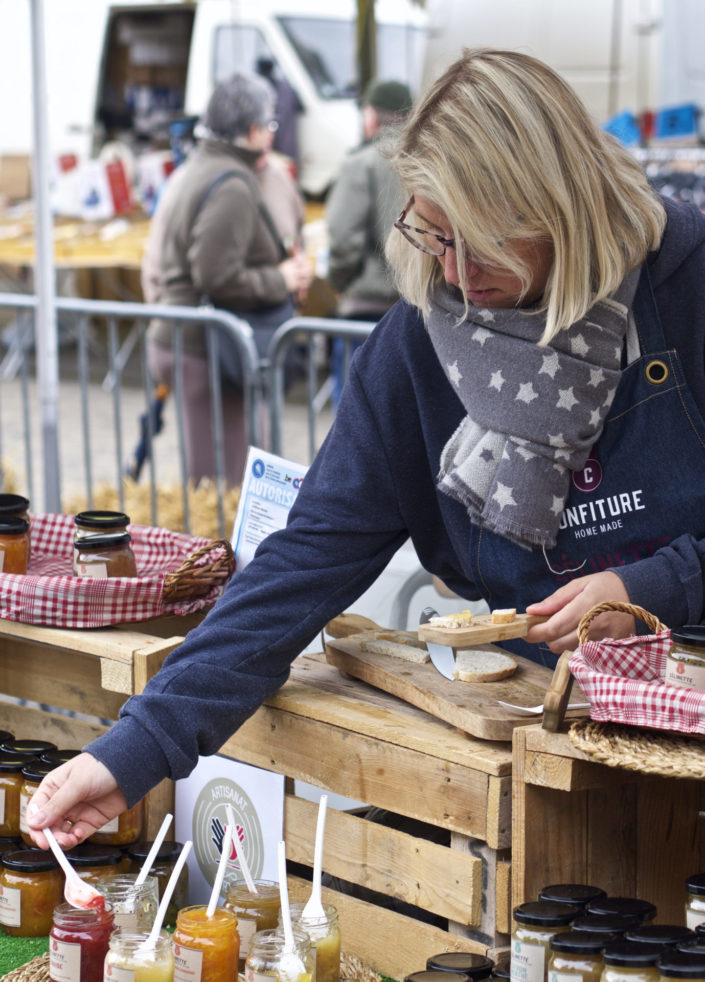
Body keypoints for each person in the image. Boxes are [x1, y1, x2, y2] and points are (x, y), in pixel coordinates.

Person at [27, 48, 705, 847]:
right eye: (431, 235)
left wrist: (654, 587)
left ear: (555, 207)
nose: (453, 273)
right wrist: (134, 750)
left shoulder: (685, 285)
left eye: (482, 243)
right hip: (547, 743)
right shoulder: (415, 349)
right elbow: (304, 561)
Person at [141, 70, 312, 487]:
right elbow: (217, 276)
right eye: (270, 125)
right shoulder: (232, 183)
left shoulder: (201, 165)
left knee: (212, 482)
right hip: (204, 348)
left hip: (192, 341)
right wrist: (282, 278)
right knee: (223, 489)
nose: (273, 134)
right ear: (253, 131)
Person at [326, 79, 412, 404]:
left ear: (372, 117)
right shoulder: (429, 162)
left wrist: (341, 283)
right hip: (418, 312)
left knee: (354, 423)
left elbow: (343, 240)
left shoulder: (359, 163)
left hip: (365, 310)